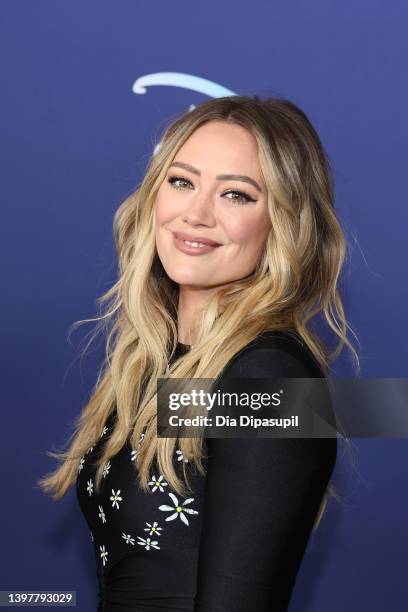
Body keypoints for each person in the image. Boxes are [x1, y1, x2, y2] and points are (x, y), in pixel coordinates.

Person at [38, 95, 359, 611]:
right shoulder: (166, 360)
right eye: (182, 181)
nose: (197, 214)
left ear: (283, 222)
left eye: (236, 195)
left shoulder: (268, 377)